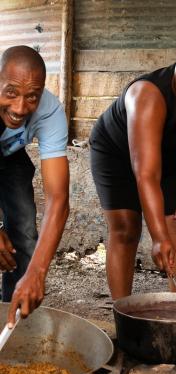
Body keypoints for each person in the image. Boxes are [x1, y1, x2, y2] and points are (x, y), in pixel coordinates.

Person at [90, 24, 176, 299]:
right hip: (114, 153)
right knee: (126, 229)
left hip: (165, 155)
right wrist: (157, 237)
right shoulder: (148, 93)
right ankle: (124, 315)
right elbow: (145, 175)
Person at [0, 45, 70, 326]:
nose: (20, 108)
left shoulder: (50, 111)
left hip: (10, 158)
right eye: (10, 93)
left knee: (24, 234)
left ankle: (12, 317)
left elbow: (58, 200)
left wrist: (37, 273)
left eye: (32, 96)